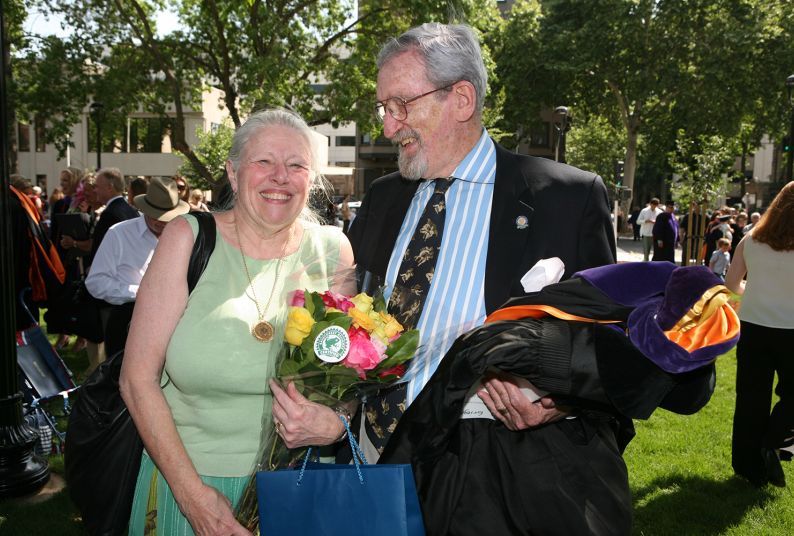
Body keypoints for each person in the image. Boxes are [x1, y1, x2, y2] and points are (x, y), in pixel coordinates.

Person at [346, 22, 626, 534]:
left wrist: (555, 399)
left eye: (401, 105)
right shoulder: (384, 198)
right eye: (383, 108)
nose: (389, 126)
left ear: (462, 98)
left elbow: (607, 339)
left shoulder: (565, 198)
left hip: (496, 468)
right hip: (373, 456)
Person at [120, 109, 355, 535]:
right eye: (263, 161)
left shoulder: (332, 252)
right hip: (189, 485)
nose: (280, 176)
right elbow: (137, 379)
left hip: (298, 486)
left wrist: (338, 420)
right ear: (233, 172)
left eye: (296, 164)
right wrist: (193, 499)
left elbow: (350, 374)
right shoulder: (188, 239)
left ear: (312, 178)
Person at [726, 181, 794, 488]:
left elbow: (731, 284)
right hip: (790, 330)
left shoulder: (750, 239)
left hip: (753, 328)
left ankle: (748, 466)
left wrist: (755, 294)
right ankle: (773, 441)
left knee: (750, 399)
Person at [86, 177, 190, 358]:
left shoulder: (185, 235)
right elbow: (96, 282)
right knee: (125, 381)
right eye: (155, 215)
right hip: (128, 320)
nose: (160, 222)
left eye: (166, 218)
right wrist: (140, 292)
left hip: (175, 323)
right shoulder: (119, 234)